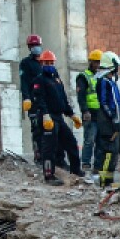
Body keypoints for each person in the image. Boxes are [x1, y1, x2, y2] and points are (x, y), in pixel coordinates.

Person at [30, 50, 83, 185]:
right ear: (41, 63)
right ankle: (49, 175)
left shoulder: (57, 79)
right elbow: (39, 99)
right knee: (50, 147)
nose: (49, 65)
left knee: (71, 143)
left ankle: (76, 170)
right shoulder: (39, 80)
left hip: (59, 117)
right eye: (46, 63)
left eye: (51, 63)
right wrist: (45, 115)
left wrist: (72, 115)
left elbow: (63, 99)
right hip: (47, 117)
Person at [95, 52, 120, 186]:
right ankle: (104, 181)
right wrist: (113, 118)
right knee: (108, 152)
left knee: (113, 152)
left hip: (113, 122)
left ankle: (109, 180)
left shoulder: (110, 82)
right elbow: (105, 102)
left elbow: (116, 103)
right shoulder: (104, 82)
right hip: (107, 123)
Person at [75, 49, 103, 173]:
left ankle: (97, 165)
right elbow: (81, 96)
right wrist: (85, 111)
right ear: (90, 62)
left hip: (100, 114)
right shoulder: (83, 76)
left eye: (99, 63)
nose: (97, 65)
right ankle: (86, 163)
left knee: (100, 141)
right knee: (89, 139)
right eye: (95, 62)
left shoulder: (101, 76)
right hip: (90, 113)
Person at [20, 34, 44, 159]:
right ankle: (38, 154)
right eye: (33, 45)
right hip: (33, 101)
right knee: (36, 129)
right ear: (29, 47)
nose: (36, 47)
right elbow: (24, 82)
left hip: (45, 102)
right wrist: (26, 98)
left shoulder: (44, 62)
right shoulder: (26, 63)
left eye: (37, 45)